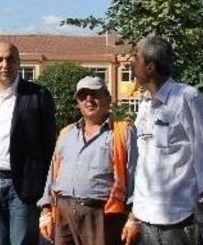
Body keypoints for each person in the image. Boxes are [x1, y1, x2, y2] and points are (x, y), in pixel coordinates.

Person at [125, 35, 203, 245]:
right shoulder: (144, 105)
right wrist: (134, 211)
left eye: (135, 58)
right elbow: (144, 161)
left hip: (179, 219)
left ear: (150, 67)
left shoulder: (187, 97)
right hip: (147, 217)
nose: (131, 64)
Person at [0, 41, 56, 245]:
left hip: (24, 186)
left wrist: (47, 189)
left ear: (18, 62)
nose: (4, 64)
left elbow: (50, 146)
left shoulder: (37, 96)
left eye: (10, 59)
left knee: (22, 241)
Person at [38, 76, 137, 245]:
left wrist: (134, 218)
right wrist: (45, 210)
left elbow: (135, 176)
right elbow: (53, 173)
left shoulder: (122, 132)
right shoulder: (67, 133)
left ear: (108, 98)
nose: (89, 99)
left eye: (94, 94)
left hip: (101, 216)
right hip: (63, 214)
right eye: (83, 96)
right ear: (78, 102)